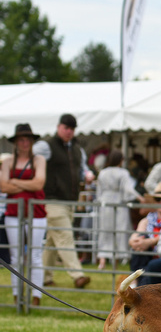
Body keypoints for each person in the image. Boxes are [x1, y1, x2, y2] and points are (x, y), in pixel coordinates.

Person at [33, 113, 94, 288]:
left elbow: (82, 169)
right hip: (51, 200)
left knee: (54, 240)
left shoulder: (77, 149)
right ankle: (77, 275)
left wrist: (87, 175)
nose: (69, 131)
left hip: (70, 202)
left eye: (72, 129)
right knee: (65, 236)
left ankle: (44, 278)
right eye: (66, 128)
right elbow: (30, 159)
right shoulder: (45, 146)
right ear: (59, 127)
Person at [1, 124, 47, 306]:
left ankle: (36, 295)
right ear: (16, 141)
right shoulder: (7, 162)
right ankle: (17, 295)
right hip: (13, 211)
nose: (25, 142)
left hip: (35, 212)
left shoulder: (39, 160)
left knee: (35, 255)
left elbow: (39, 184)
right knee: (15, 256)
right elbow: (3, 186)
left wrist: (14, 181)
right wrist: (26, 183)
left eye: (28, 139)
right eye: (21, 139)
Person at [96, 150, 145, 269]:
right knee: (120, 230)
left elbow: (99, 190)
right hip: (118, 203)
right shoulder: (123, 173)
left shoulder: (102, 172)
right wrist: (140, 197)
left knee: (105, 230)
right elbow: (128, 189)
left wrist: (100, 201)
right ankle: (117, 259)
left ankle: (102, 259)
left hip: (105, 203)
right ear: (120, 160)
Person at [128, 182, 161, 273]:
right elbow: (136, 235)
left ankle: (136, 281)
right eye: (158, 199)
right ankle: (136, 281)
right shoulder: (147, 220)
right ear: (154, 201)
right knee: (140, 239)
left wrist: (149, 242)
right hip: (147, 258)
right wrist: (134, 241)